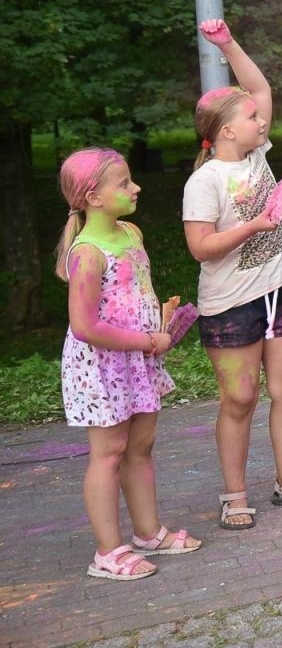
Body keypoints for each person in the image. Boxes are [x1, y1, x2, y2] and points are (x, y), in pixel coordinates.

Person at [184, 19, 282, 530]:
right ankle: (234, 495)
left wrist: (227, 44)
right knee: (239, 398)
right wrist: (254, 225)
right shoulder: (205, 181)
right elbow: (200, 248)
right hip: (230, 304)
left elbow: (260, 88)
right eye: (251, 118)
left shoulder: (257, 156)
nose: (261, 121)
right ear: (226, 131)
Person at [57, 149, 201, 579]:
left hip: (137, 362)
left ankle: (148, 532)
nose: (135, 188)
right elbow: (85, 326)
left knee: (140, 447)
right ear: (93, 197)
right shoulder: (87, 253)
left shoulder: (131, 233)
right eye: (123, 183)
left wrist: (158, 331)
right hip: (102, 368)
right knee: (109, 453)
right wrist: (145, 340)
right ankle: (108, 552)